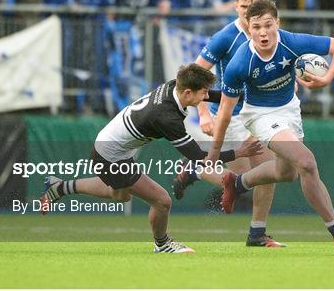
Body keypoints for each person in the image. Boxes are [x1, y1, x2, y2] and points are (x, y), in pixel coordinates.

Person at [40, 64, 262, 253]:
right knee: (162, 201)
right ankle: (162, 244)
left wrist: (251, 96)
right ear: (187, 93)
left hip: (112, 148)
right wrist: (239, 152)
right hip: (110, 157)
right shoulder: (165, 117)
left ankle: (59, 187)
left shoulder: (175, 86)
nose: (206, 97)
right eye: (202, 93)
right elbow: (200, 157)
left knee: (119, 194)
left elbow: (219, 96)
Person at [207, 0, 334, 254]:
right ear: (248, 27)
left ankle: (237, 184)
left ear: (277, 23)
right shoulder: (240, 62)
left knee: (286, 173)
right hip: (259, 115)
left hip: (289, 109)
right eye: (256, 27)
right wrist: (213, 154)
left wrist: (327, 78)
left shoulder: (292, 42)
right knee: (307, 162)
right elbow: (224, 113)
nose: (263, 32)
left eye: (268, 25)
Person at [173, 0, 285, 247]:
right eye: (242, 7)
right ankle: (196, 170)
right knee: (243, 178)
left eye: (251, 7)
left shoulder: (268, 34)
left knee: (269, 173)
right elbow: (193, 77)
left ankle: (257, 233)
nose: (246, 13)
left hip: (259, 114)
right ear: (235, 6)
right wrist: (203, 113)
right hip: (231, 116)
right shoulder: (225, 37)